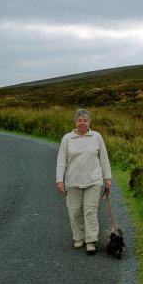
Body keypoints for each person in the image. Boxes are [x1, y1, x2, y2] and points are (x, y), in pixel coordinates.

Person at [56, 108, 112, 254]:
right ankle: (79, 237)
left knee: (90, 211)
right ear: (75, 121)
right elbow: (61, 161)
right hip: (72, 181)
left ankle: (91, 240)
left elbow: (104, 159)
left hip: (93, 180)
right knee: (75, 212)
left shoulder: (97, 137)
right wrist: (59, 181)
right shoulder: (67, 138)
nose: (82, 123)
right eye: (79, 120)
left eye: (85, 120)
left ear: (89, 122)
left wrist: (107, 178)